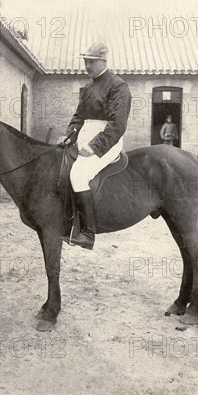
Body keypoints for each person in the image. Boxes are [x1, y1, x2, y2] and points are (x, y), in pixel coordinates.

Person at [60, 42, 132, 250]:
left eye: (91, 62)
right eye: (85, 61)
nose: (87, 66)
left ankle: (87, 233)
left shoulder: (118, 86)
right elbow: (79, 116)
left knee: (78, 175)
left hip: (107, 141)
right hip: (84, 138)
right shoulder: (89, 87)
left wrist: (95, 146)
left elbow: (118, 124)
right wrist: (69, 136)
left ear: (104, 61)